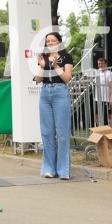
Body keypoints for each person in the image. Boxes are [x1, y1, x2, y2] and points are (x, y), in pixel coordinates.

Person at [33, 31, 74, 180]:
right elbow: (38, 79)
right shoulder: (43, 57)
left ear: (59, 42)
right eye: (48, 41)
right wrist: (42, 66)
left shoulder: (66, 57)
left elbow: (67, 78)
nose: (50, 43)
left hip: (60, 93)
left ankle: (63, 171)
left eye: (53, 40)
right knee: (47, 133)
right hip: (45, 93)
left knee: (62, 133)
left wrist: (56, 66)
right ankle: (50, 169)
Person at [96, 58, 112, 125]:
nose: (100, 65)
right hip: (97, 99)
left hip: (105, 99)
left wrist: (111, 99)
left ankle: (107, 132)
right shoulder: (97, 73)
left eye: (102, 63)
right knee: (96, 116)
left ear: (105, 64)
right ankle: (101, 131)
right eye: (99, 64)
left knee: (106, 117)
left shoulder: (110, 73)